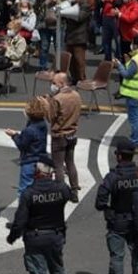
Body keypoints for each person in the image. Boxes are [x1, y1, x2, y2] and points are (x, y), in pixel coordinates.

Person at [6, 156, 73, 274]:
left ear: (36, 173)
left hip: (35, 237)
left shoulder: (29, 193)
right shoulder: (62, 189)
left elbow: (20, 220)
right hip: (56, 235)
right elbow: (68, 196)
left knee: (39, 272)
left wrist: (13, 236)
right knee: (57, 268)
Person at [94, 138, 138, 274]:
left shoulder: (113, 177)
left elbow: (100, 201)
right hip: (137, 221)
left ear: (119, 156)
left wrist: (107, 209)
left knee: (117, 257)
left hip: (118, 221)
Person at [41, 72, 82, 202]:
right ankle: (74, 190)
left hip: (59, 135)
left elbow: (50, 118)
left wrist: (47, 103)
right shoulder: (76, 95)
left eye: (54, 83)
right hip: (72, 134)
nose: (52, 85)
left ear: (62, 83)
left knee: (58, 165)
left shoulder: (57, 99)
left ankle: (61, 191)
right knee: (70, 162)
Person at [5, 98, 49, 196]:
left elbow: (22, 145)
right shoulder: (43, 124)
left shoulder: (29, 130)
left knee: (24, 190)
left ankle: (24, 210)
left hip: (30, 162)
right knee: (39, 189)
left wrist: (14, 135)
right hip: (42, 160)